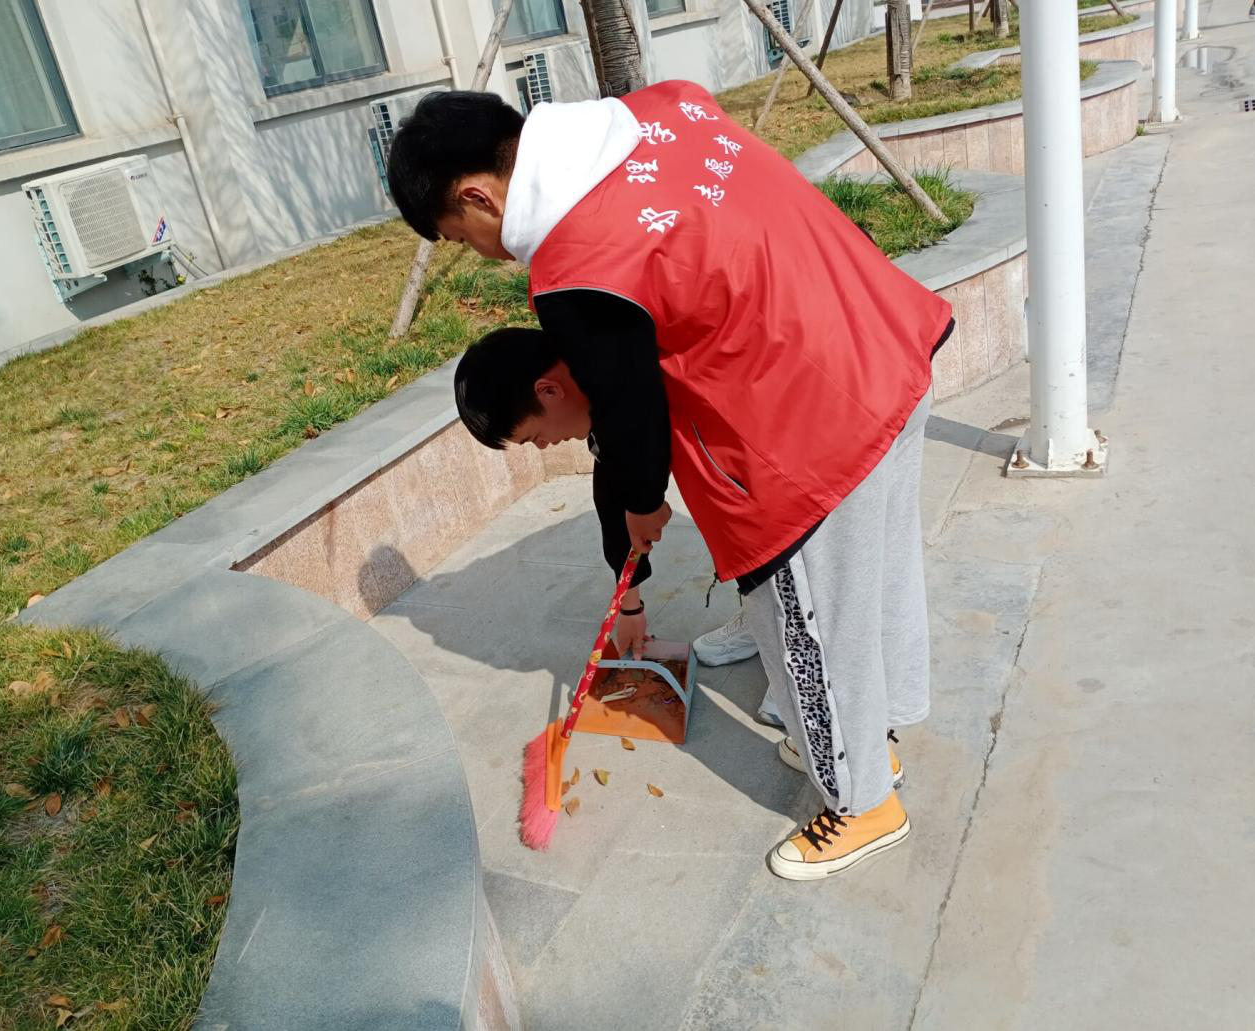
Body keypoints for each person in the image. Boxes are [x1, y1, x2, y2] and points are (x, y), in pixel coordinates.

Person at [390, 80, 952, 881]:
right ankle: (874, 738)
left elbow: (628, 415)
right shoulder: (660, 110)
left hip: (807, 429)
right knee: (874, 579)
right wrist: (632, 541)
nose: (484, 252)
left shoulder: (577, 262)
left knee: (810, 627)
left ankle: (863, 801)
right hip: (882, 341)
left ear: (477, 195)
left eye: (461, 235)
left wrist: (643, 503)